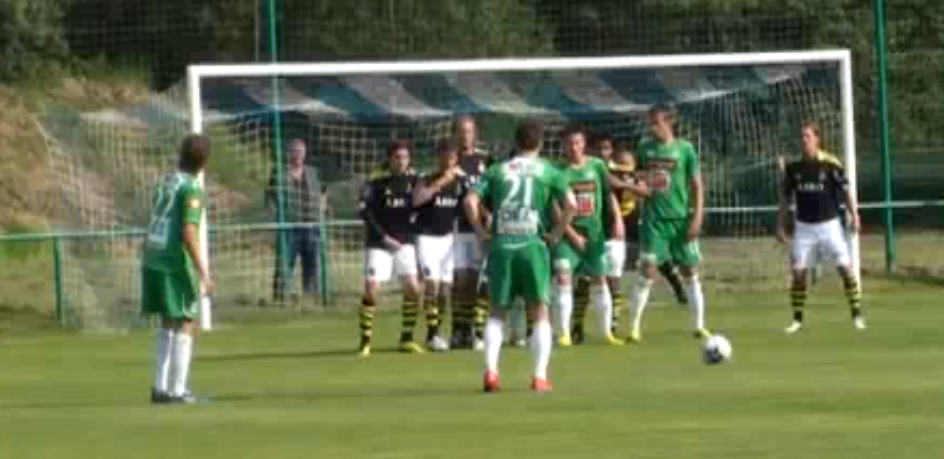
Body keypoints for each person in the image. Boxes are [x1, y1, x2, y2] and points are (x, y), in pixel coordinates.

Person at [464, 119, 576, 393]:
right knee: (539, 311)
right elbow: (572, 204)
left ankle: (491, 373)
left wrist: (480, 232)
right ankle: (539, 377)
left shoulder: (496, 170)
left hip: (503, 245)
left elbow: (470, 201)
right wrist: (557, 233)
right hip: (532, 245)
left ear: (516, 142)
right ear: (540, 143)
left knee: (497, 312)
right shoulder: (548, 171)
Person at [627, 104, 711, 343]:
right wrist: (639, 185)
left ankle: (699, 326)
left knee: (690, 272)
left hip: (681, 221)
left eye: (656, 122)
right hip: (654, 222)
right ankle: (634, 328)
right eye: (650, 123)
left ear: (669, 122)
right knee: (647, 272)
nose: (652, 127)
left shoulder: (685, 149)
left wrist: (697, 216)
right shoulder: (645, 148)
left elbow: (696, 185)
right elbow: (639, 178)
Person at [142, 135, 213, 404]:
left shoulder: (166, 181)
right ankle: (178, 390)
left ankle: (160, 388)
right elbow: (187, 231)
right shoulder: (192, 188)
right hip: (173, 261)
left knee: (167, 321)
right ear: (204, 161)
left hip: (152, 255)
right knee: (186, 320)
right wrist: (203, 271)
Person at [777, 122, 865, 333]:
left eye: (807, 136)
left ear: (817, 139)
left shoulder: (831, 164)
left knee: (846, 269)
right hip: (804, 227)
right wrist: (780, 224)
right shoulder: (793, 168)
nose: (804, 140)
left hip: (830, 226)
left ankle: (857, 316)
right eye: (802, 136)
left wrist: (855, 215)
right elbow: (785, 198)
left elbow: (845, 192)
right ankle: (797, 320)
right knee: (798, 274)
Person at [552, 125, 629, 347]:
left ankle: (606, 333)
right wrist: (571, 234)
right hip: (568, 235)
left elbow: (609, 194)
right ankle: (564, 334)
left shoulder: (596, 166)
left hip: (594, 235)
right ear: (563, 146)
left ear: (584, 144)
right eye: (568, 144)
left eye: (577, 143)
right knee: (565, 279)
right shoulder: (558, 172)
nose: (573, 148)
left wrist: (617, 219)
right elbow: (555, 208)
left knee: (599, 279)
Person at [357, 140, 424, 357]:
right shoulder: (375, 180)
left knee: (413, 289)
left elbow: (423, 205)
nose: (402, 161)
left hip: (405, 243)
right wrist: (384, 237)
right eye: (397, 157)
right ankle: (365, 342)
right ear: (389, 158)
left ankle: (406, 339)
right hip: (379, 242)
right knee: (372, 288)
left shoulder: (415, 179)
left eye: (405, 157)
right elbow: (364, 212)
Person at [413, 138, 468, 352]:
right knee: (432, 286)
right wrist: (441, 182)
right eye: (445, 156)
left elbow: (470, 204)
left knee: (445, 291)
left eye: (453, 157)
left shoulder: (460, 184)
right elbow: (417, 200)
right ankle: (433, 334)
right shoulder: (426, 179)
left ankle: (433, 335)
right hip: (427, 238)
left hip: (448, 241)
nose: (449, 161)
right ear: (439, 157)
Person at [265, 139, 325, 303]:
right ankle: (281, 298)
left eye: (301, 151)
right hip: (289, 227)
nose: (298, 154)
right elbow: (269, 196)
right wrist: (274, 217)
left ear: (305, 154)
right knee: (284, 263)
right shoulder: (279, 172)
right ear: (288, 153)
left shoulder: (312, 172)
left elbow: (323, 193)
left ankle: (311, 298)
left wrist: (321, 210)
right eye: (295, 150)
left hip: (311, 225)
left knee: (312, 264)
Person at [452, 115, 492, 350]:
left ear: (474, 133)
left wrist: (489, 216)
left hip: (481, 228)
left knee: (481, 281)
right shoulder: (451, 160)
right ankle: (459, 330)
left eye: (468, 131)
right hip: (459, 228)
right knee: (461, 281)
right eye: (461, 131)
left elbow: (492, 191)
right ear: (455, 133)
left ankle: (475, 331)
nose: (465, 135)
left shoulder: (485, 160)